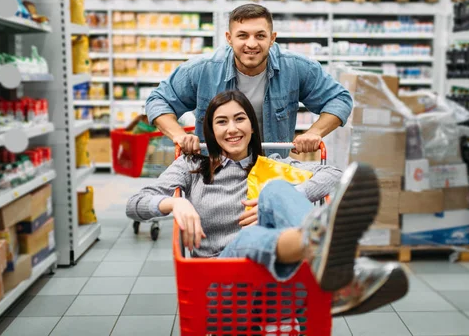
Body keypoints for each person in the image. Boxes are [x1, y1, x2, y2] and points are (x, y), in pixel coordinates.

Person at [127, 90, 408, 315]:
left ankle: (318, 252)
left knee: (275, 190)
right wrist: (175, 204)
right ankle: (322, 251)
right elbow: (136, 203)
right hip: (220, 291)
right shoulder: (193, 166)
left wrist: (282, 198)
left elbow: (333, 174)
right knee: (250, 237)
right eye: (221, 121)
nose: (232, 129)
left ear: (252, 126)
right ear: (210, 131)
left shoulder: (271, 165)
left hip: (276, 289)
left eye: (240, 119)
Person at [145, 3, 353, 156]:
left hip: (271, 169)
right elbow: (158, 101)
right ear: (229, 38)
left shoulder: (295, 68)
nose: (251, 44)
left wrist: (314, 132)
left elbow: (340, 99)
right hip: (216, 169)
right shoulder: (204, 69)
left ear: (272, 38)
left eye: (260, 36)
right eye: (242, 35)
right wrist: (179, 136)